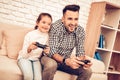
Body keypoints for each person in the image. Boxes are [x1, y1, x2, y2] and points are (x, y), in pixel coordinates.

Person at [41, 4, 92, 80]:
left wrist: (84, 62)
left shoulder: (80, 31)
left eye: (76, 19)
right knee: (51, 65)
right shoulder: (56, 27)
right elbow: (52, 52)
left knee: (87, 71)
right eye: (70, 19)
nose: (73, 23)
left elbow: (80, 52)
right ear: (63, 19)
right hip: (50, 57)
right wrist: (66, 61)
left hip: (65, 61)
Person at [17, 13, 52, 80]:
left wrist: (46, 52)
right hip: (24, 58)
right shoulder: (30, 34)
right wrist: (29, 48)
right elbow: (24, 55)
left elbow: (44, 53)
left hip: (36, 60)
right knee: (29, 77)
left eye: (49, 24)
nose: (46, 25)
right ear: (37, 23)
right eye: (44, 22)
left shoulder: (47, 37)